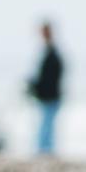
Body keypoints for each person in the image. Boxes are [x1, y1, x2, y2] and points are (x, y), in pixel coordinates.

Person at [28, 21, 64, 155]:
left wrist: (38, 87)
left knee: (46, 126)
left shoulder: (52, 54)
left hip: (50, 96)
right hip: (47, 95)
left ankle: (45, 151)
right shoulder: (49, 52)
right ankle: (44, 150)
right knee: (45, 125)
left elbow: (51, 78)